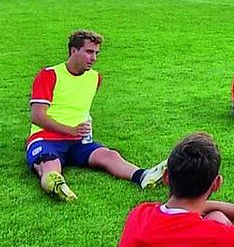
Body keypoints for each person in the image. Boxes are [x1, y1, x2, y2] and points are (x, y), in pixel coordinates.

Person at [27, 30, 167, 201]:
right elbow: (37, 116)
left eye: (96, 53)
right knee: (49, 162)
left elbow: (79, 107)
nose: (94, 58)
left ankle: (143, 176)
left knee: (109, 155)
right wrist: (69, 130)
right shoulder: (49, 75)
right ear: (73, 51)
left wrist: (84, 126)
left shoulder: (95, 78)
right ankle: (56, 184)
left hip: (78, 140)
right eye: (89, 52)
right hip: (46, 138)